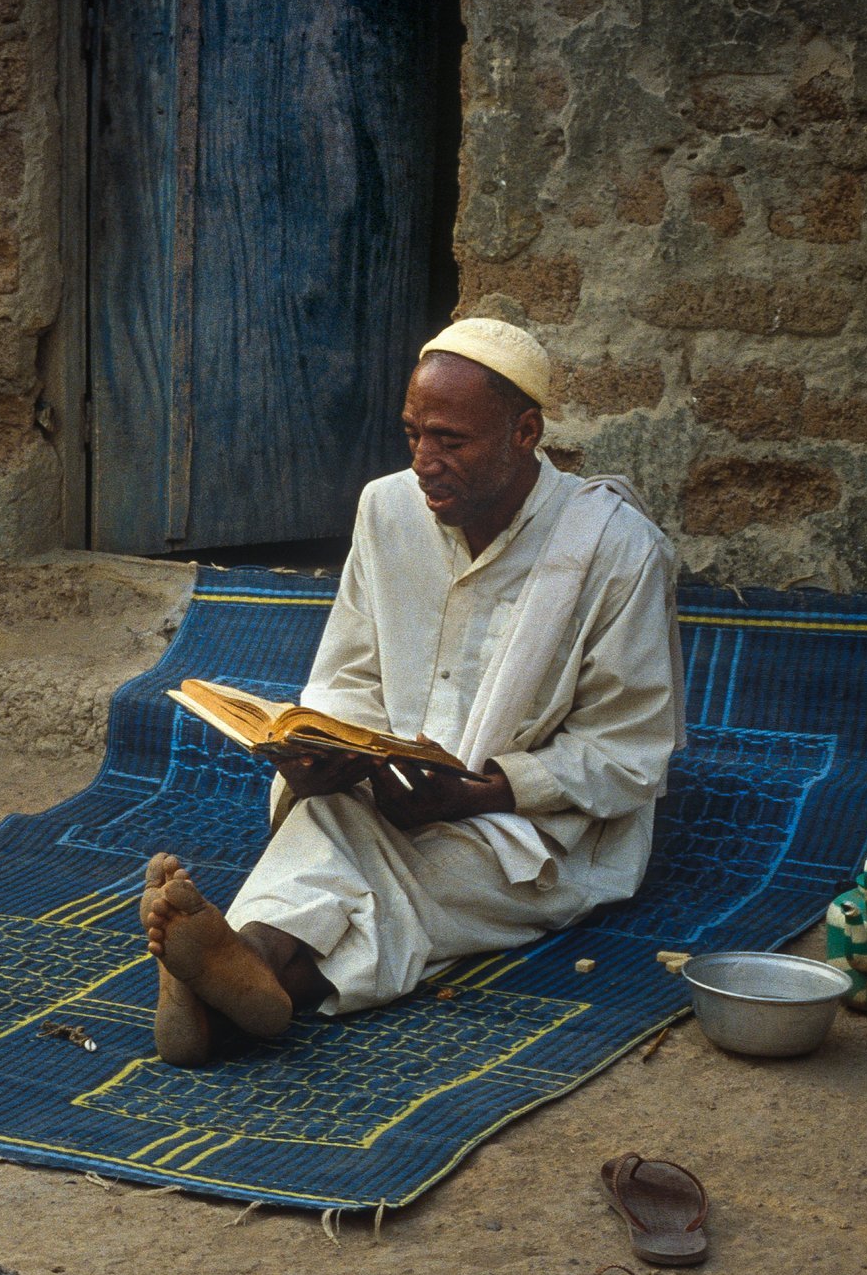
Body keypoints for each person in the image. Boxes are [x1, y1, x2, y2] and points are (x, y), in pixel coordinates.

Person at [139, 317, 682, 1066]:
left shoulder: (614, 550)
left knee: (354, 850)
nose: (424, 461)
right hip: (375, 790)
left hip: (528, 831)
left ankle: (244, 966)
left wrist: (475, 795)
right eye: (412, 435)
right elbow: (351, 673)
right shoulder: (387, 509)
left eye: (451, 440)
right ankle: (244, 983)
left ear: (525, 431)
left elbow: (630, 753)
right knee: (336, 814)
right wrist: (321, 751)